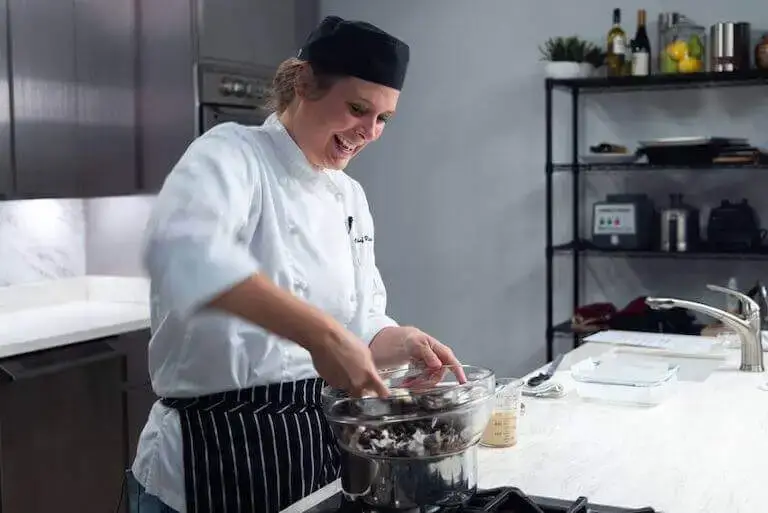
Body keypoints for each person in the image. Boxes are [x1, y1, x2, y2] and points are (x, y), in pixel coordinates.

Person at [129, 15, 464, 513]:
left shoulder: (349, 196)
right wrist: (322, 337)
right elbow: (182, 250)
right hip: (212, 455)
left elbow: (361, 324)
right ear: (304, 83)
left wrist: (401, 342)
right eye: (357, 109)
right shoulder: (231, 154)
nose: (369, 132)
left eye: (383, 119)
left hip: (310, 452)